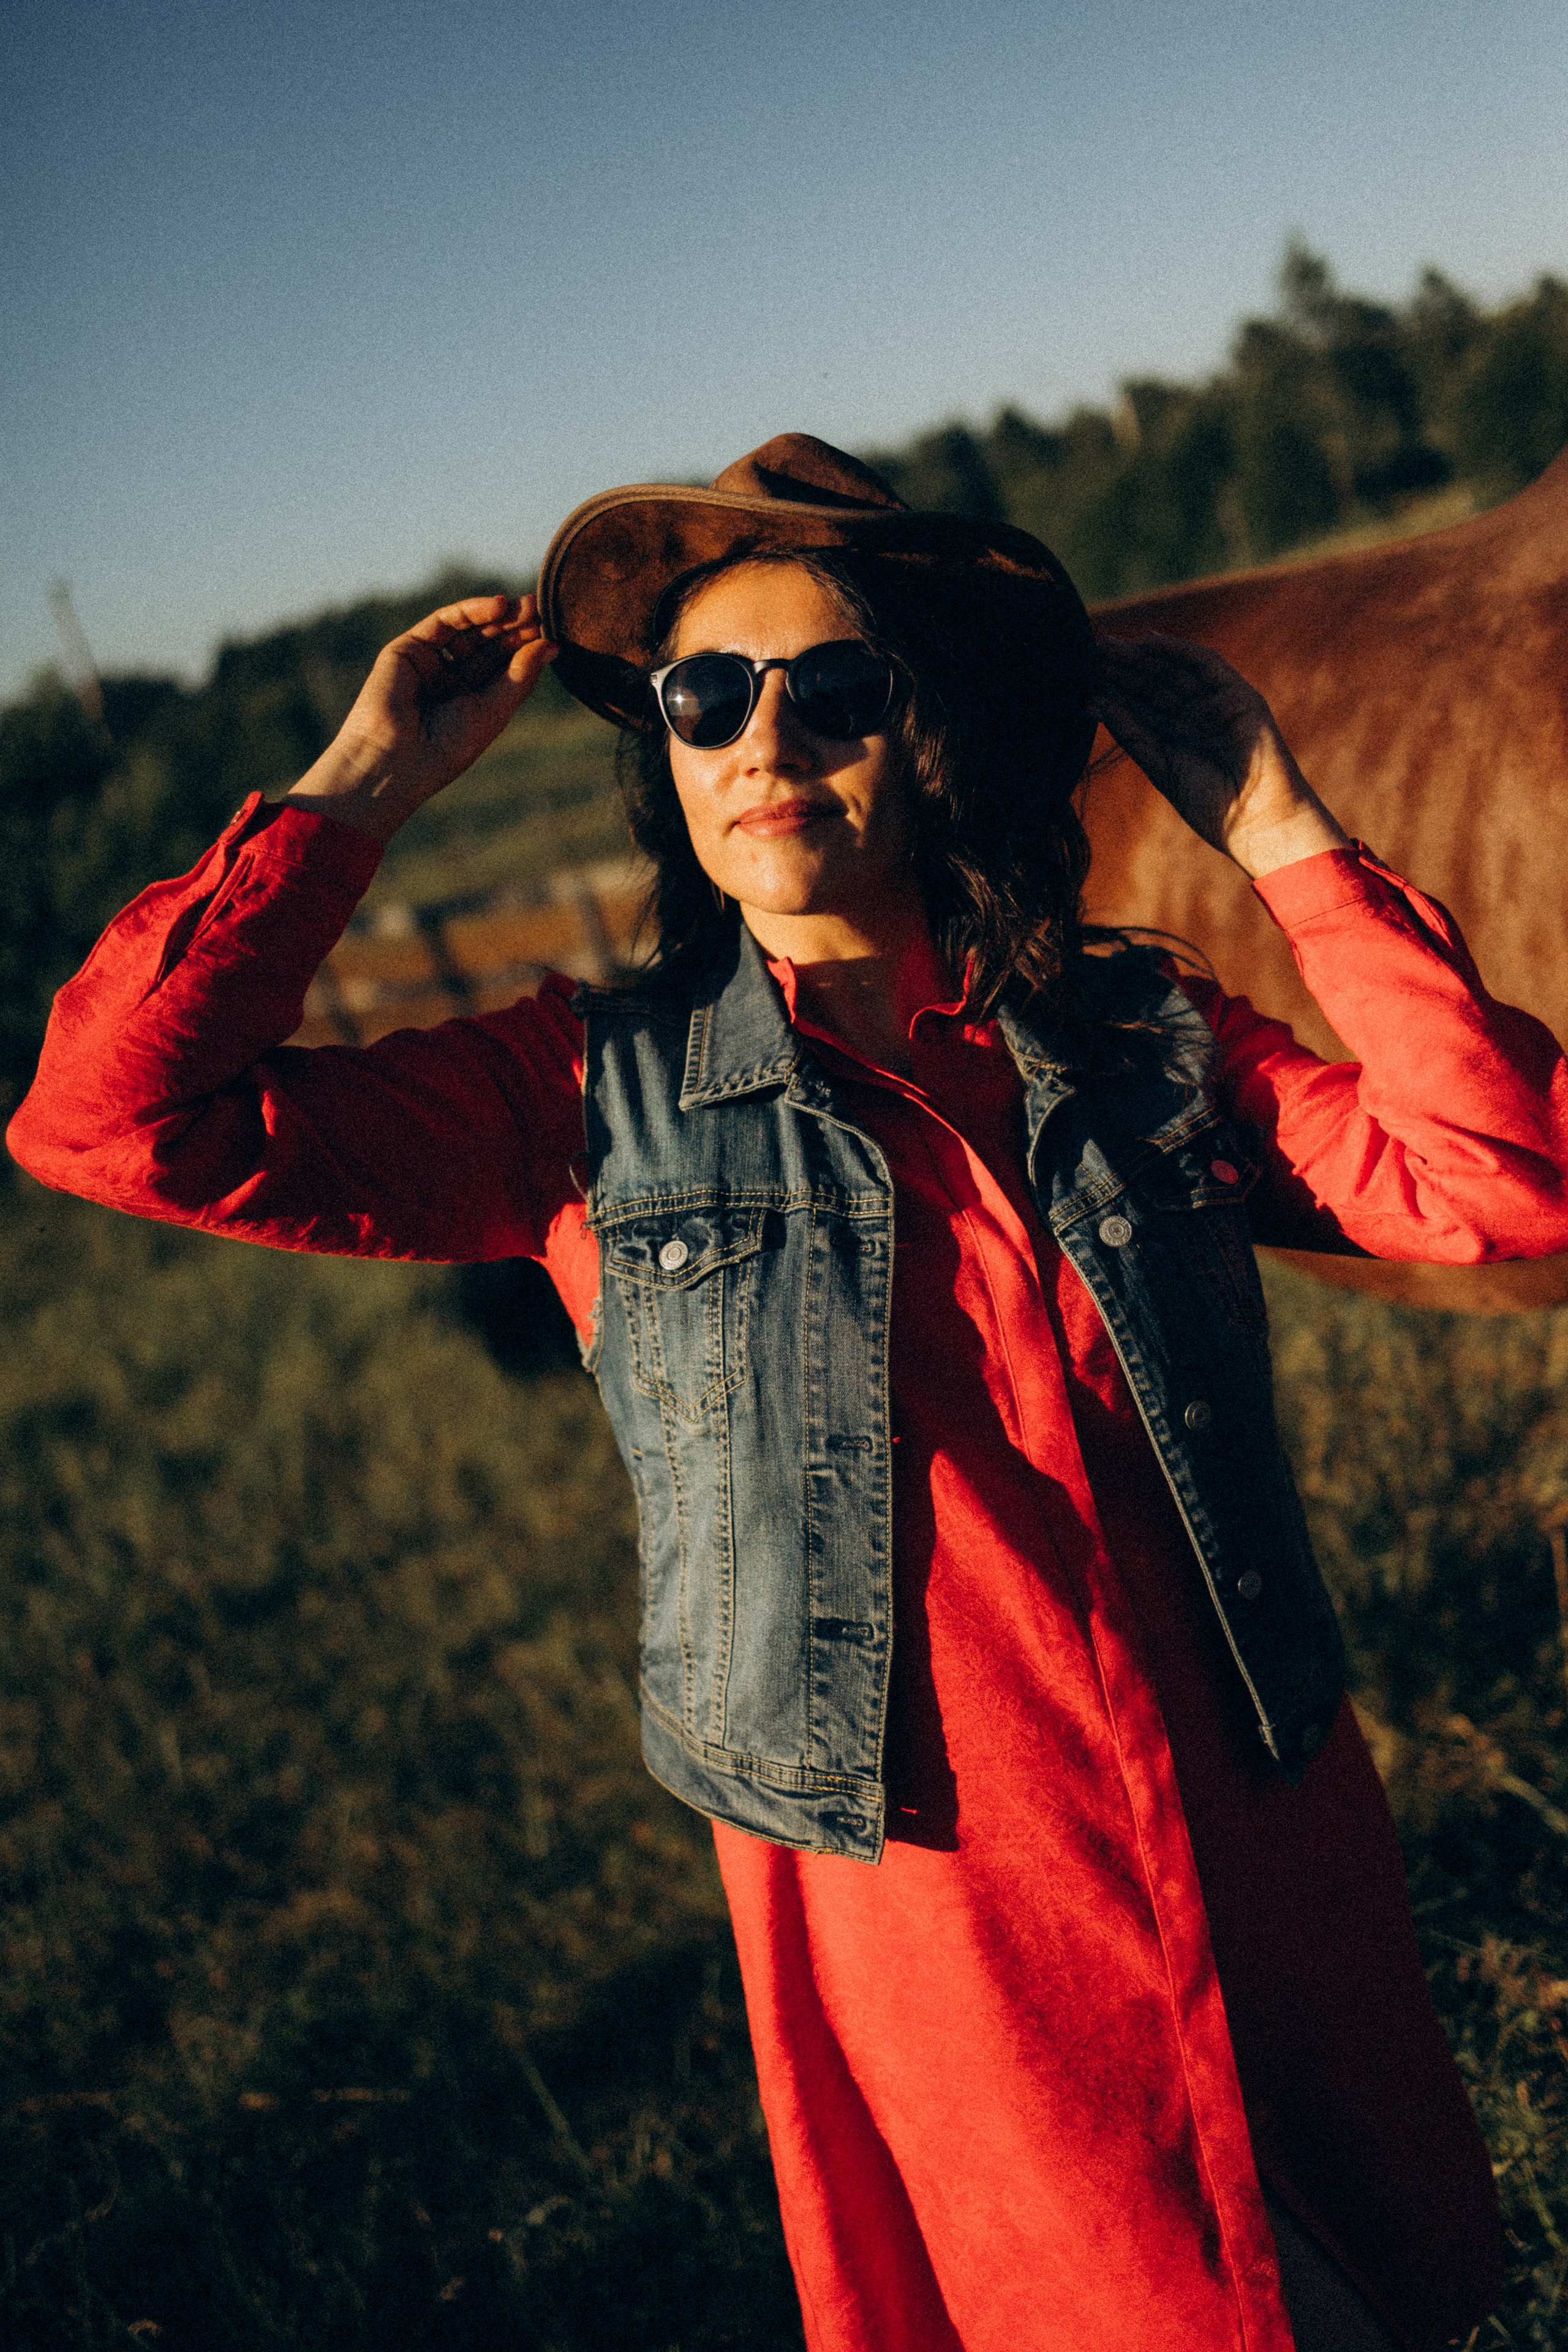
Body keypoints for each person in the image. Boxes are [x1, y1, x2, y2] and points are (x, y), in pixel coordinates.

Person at [12, 434, 1568, 2352]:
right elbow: (112, 1122)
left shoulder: (1141, 1033)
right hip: (942, 1905)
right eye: (705, 696)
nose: (765, 742)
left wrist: (1283, 832)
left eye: (832, 692)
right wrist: (362, 787)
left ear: (931, 737)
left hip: (1258, 1818)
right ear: (663, 747)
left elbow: (1500, 1181)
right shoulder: (577, 1095)